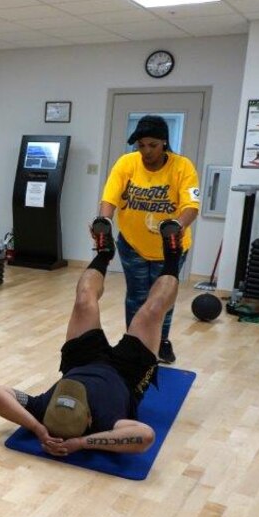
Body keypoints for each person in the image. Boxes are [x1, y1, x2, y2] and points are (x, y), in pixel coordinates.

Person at [0, 219, 185, 457]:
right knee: (153, 309)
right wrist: (83, 443)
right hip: (127, 374)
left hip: (80, 361)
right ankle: (173, 256)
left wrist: (38, 429)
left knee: (83, 298)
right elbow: (145, 436)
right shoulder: (107, 422)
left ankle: (104, 253)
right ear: (90, 419)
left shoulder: (42, 410)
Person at [98, 115, 199, 364]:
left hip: (171, 247)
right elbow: (110, 198)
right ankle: (135, 342)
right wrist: (104, 222)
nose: (146, 151)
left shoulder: (182, 166)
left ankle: (161, 341)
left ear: (164, 142)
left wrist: (178, 225)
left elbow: (191, 205)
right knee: (137, 295)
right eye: (141, 145)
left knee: (162, 298)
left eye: (152, 145)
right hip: (133, 244)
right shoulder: (127, 163)